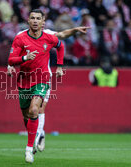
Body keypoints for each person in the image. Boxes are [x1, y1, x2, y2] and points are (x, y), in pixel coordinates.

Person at [7, 23, 90, 155]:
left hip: (44, 77)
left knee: (38, 108)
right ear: (29, 20)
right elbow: (13, 54)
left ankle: (38, 136)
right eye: (33, 18)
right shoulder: (21, 36)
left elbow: (62, 35)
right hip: (26, 78)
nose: (36, 21)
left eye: (39, 19)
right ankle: (38, 133)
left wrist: (74, 30)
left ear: (43, 22)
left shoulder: (48, 34)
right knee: (28, 114)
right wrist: (9, 66)